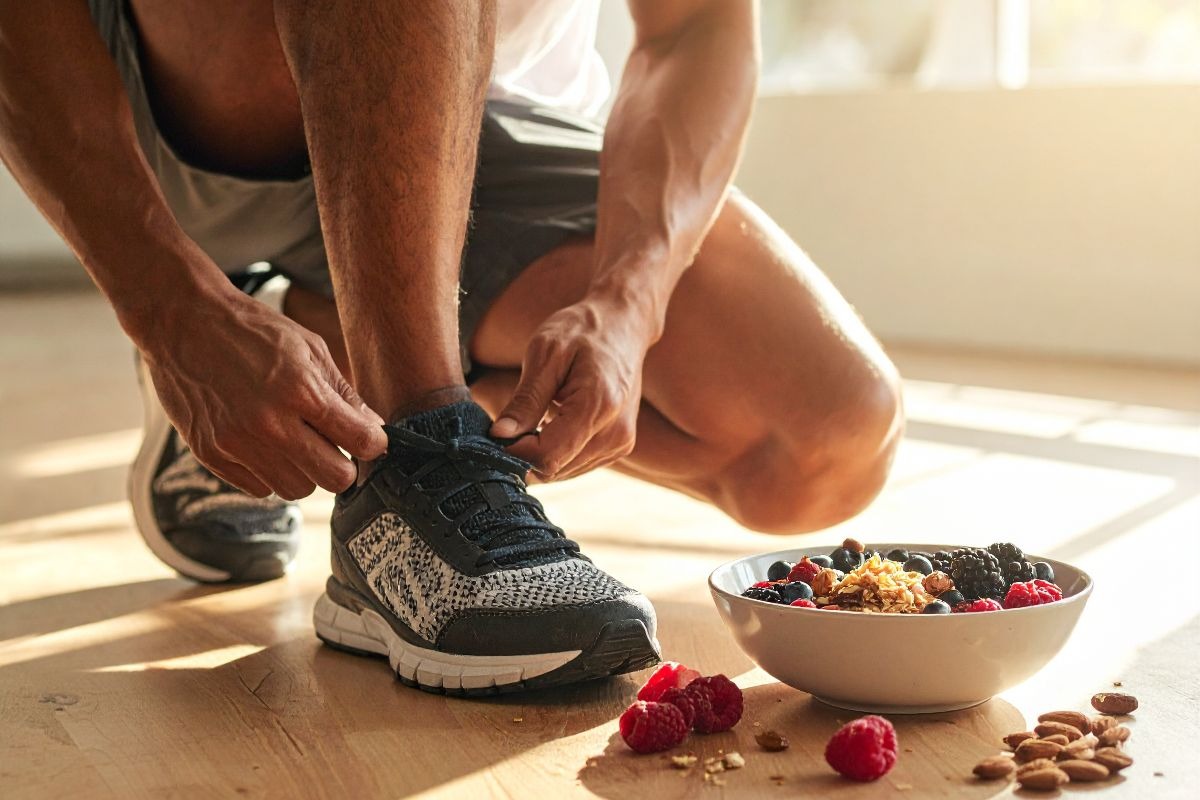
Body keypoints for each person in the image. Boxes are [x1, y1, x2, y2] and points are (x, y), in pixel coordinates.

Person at [0, 0, 902, 693]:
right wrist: (170, 313)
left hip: (477, 132)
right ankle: (416, 457)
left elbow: (695, 25)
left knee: (824, 442)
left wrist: (629, 302)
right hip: (192, 114)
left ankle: (297, 336)